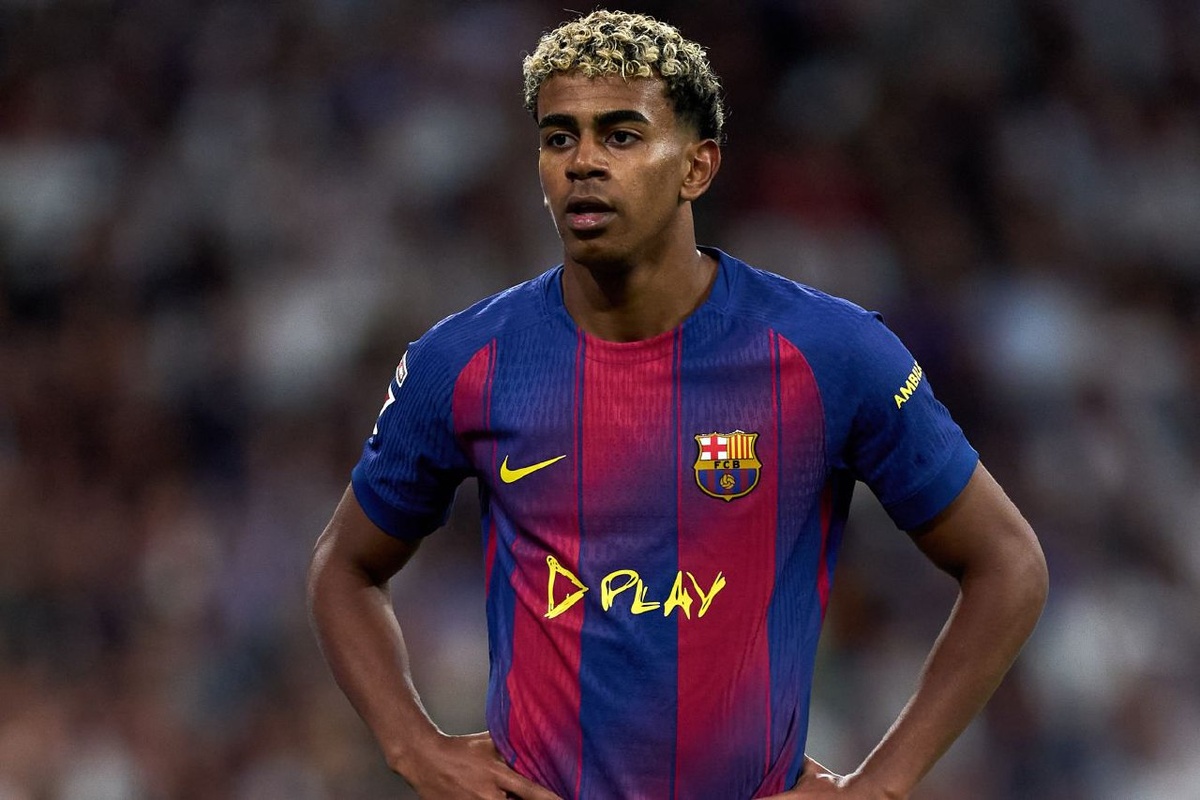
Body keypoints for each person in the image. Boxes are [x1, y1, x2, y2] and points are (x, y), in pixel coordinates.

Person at [307, 9, 1048, 799]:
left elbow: (1008, 563)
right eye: (559, 138)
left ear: (698, 167)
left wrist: (882, 785)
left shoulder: (831, 354)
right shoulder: (464, 362)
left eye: (621, 135)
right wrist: (414, 748)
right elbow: (343, 566)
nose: (583, 162)